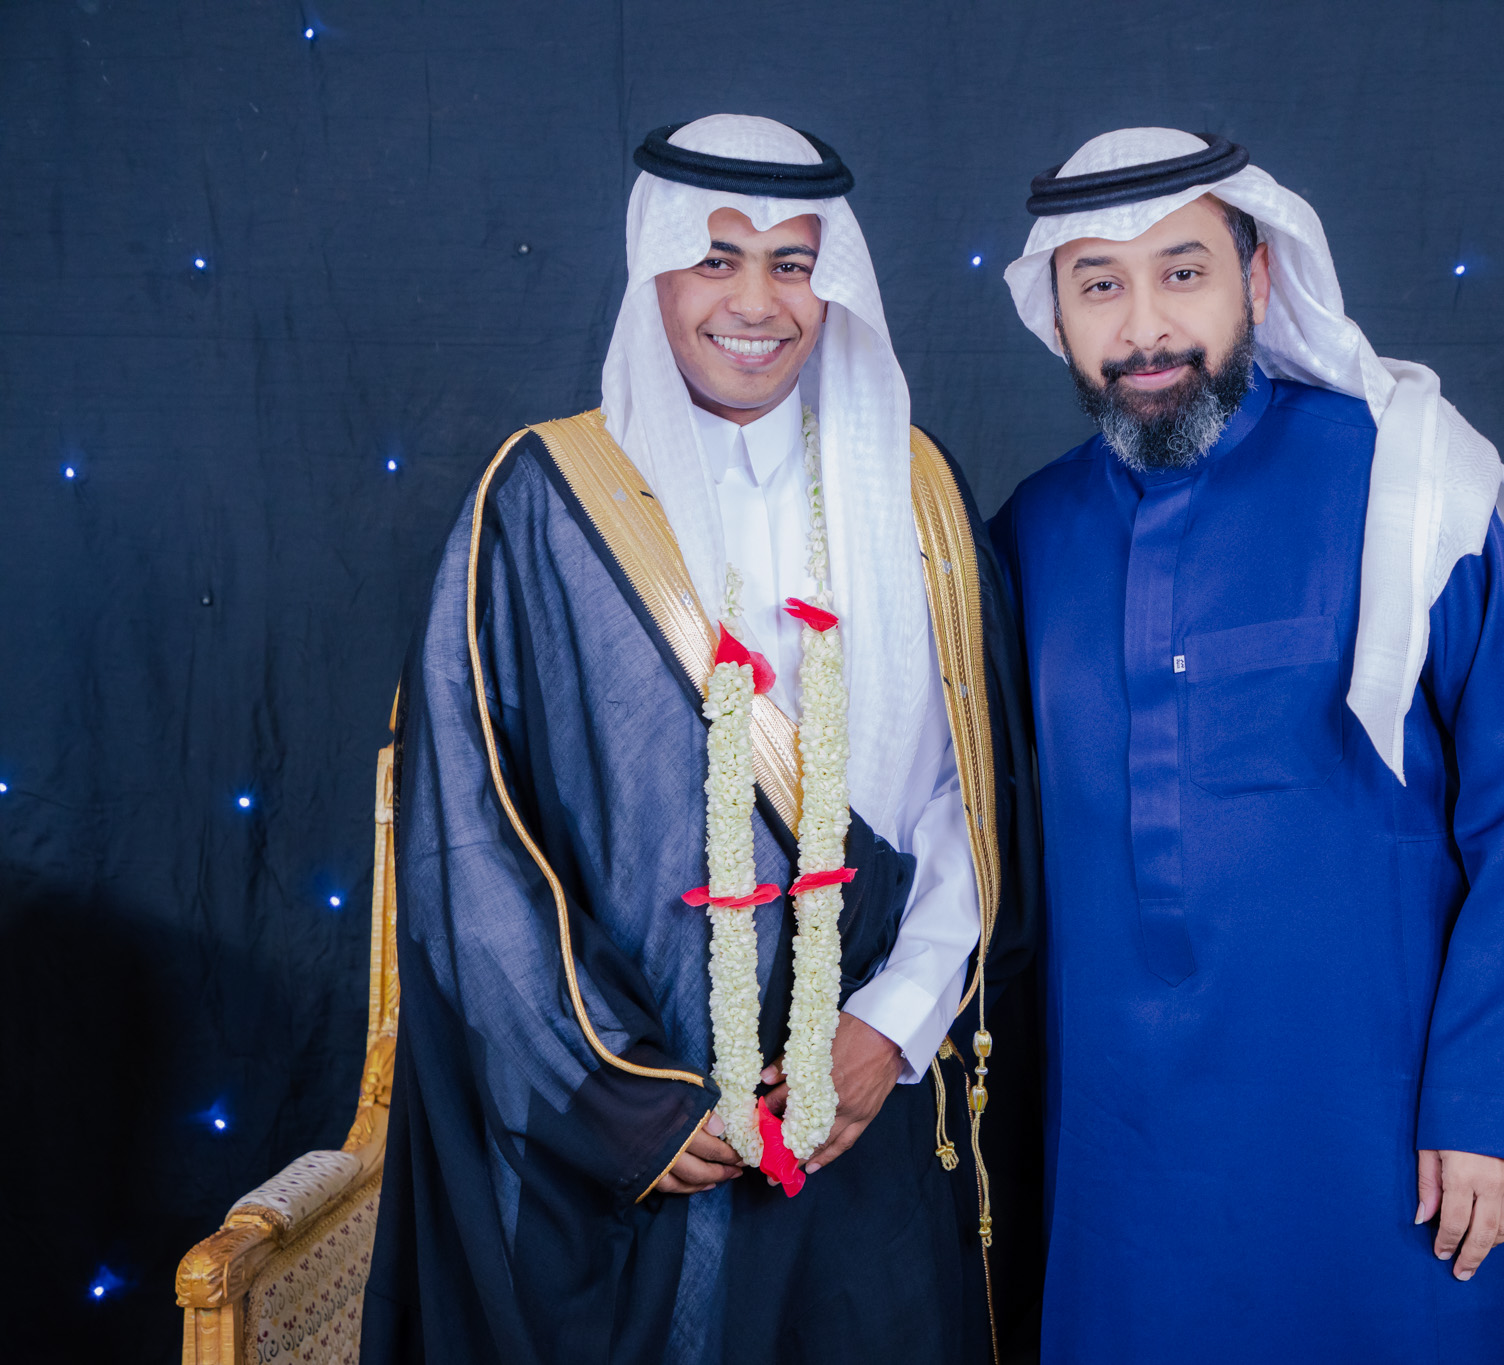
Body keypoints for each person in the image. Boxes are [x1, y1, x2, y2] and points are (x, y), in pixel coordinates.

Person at [362, 114, 1038, 1365]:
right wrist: (626, 1102)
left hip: (864, 1115)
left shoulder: (916, 491)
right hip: (627, 1146)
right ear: (653, 274)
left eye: (792, 264)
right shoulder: (543, 499)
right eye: (714, 258)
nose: (756, 302)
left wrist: (891, 1025)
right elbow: (472, 846)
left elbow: (972, 800)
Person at [990, 127, 1504, 1362]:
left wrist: (1487, 1108)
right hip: (1117, 1148)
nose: (1144, 327)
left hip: (1381, 1128)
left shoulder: (1405, 483)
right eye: (1099, 285)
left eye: (1183, 272)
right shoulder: (1028, 533)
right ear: (1056, 312)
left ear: (1257, 281)